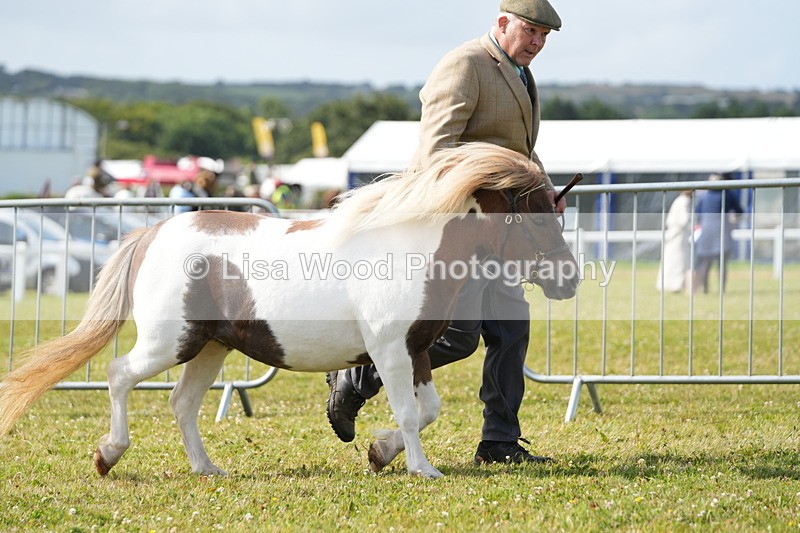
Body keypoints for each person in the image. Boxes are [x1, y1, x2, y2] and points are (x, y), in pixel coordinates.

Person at [325, 0, 566, 465]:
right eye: (531, 31)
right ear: (502, 23)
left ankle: (498, 443)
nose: (537, 42)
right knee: (458, 337)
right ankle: (356, 378)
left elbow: (521, 153)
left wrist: (544, 193)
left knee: (511, 331)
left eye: (544, 36)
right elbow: (436, 153)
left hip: (500, 233)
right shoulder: (464, 65)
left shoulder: (521, 74)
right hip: (458, 229)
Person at [692, 173, 744, 293]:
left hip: (705, 230)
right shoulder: (728, 194)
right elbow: (739, 211)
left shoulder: (703, 196)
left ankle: (705, 290)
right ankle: (722, 291)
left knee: (705, 262)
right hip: (722, 229)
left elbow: (698, 213)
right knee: (722, 264)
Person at [656, 190, 693, 293]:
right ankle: (675, 286)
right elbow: (684, 220)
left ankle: (667, 284)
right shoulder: (684, 202)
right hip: (679, 236)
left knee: (670, 261)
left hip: (674, 234)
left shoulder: (679, 200)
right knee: (678, 262)